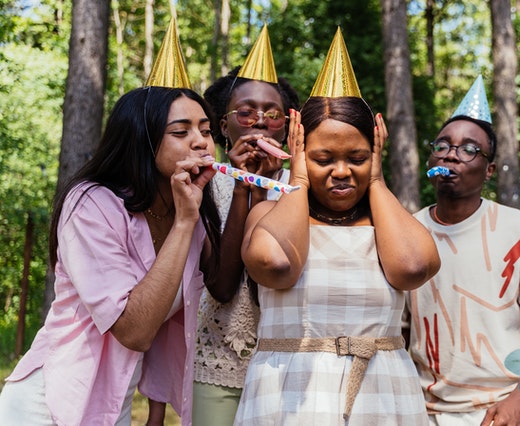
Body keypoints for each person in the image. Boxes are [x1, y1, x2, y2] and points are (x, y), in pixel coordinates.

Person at [0, 18, 220, 426]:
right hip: (51, 402)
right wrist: (185, 224)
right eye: (181, 130)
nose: (200, 142)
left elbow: (213, 294)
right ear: (142, 138)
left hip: (114, 405)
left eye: (206, 130)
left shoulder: (190, 206)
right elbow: (134, 330)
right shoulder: (90, 205)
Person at [233, 28, 441, 425]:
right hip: (291, 398)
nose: (342, 172)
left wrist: (377, 181)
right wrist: (298, 179)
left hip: (380, 396)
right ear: (299, 152)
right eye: (323, 158)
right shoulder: (266, 214)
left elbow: (412, 268)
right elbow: (278, 265)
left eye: (358, 158)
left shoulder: (387, 225)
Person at [406, 76, 520, 426]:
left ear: (489, 170)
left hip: (506, 409)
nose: (452, 154)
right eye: (443, 145)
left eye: (469, 149)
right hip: (424, 411)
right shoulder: (406, 233)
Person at [193, 26, 299, 426]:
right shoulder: (203, 185)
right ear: (224, 126)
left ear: (286, 128)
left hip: (287, 364)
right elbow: (221, 287)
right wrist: (243, 186)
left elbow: (272, 277)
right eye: (246, 111)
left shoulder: (299, 189)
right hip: (217, 361)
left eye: (272, 114)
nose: (259, 121)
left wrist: (270, 187)